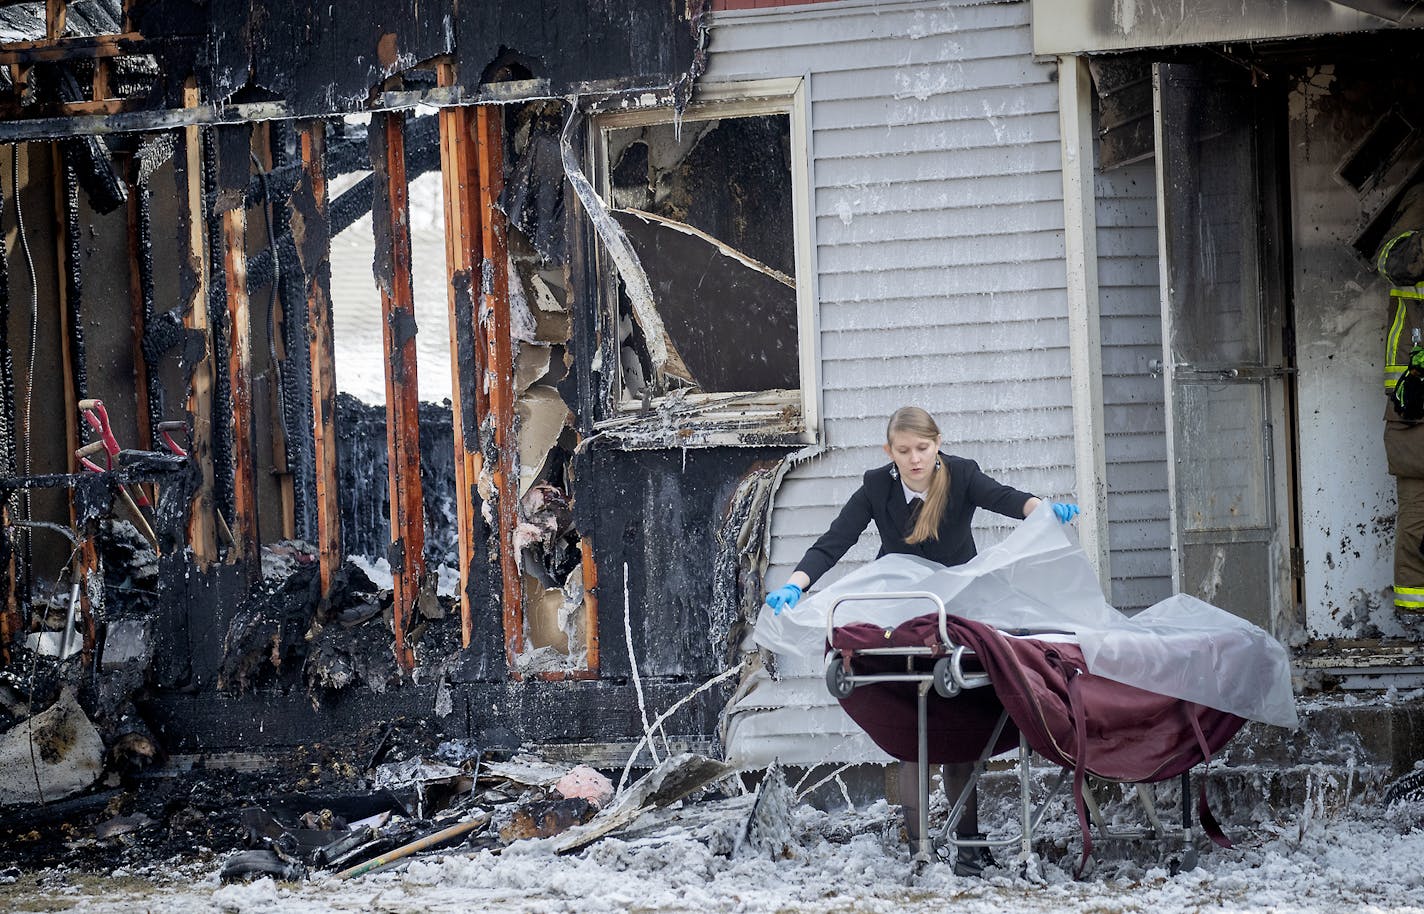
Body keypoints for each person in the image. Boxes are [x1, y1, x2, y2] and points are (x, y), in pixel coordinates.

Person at [763, 405, 1079, 876]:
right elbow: (836, 540)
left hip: (958, 617)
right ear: (890, 452)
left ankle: (969, 845)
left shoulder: (962, 476)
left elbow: (1008, 499)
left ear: (937, 444)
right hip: (903, 616)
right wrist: (797, 584)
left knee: (963, 730)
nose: (915, 459)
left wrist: (1043, 510)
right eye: (905, 451)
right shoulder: (877, 486)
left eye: (924, 448)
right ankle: (920, 848)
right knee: (914, 736)